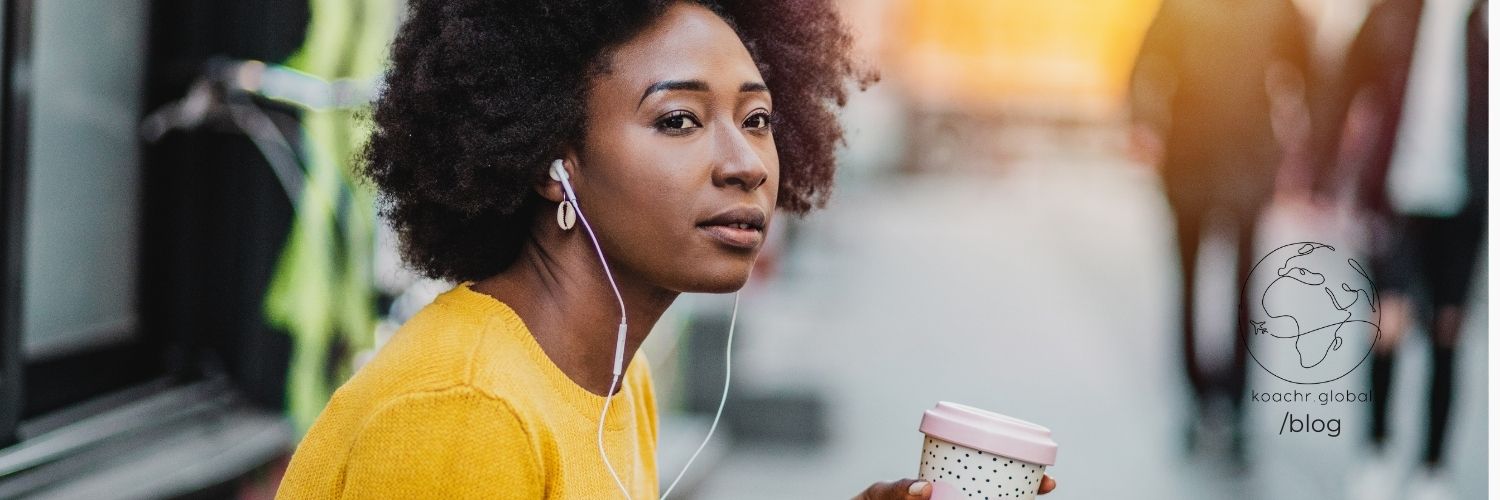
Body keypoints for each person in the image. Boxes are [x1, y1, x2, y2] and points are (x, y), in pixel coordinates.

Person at [272, 1, 1057, 498]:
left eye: (756, 119)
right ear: (554, 155)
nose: (746, 163)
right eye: (678, 120)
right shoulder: (467, 414)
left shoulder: (613, 374)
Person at [1312, 0, 1488, 499]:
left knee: (1447, 331)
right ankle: (1377, 450)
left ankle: (1434, 466)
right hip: (1394, 195)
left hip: (1465, 203)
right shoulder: (1394, 11)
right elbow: (1345, 80)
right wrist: (1324, 170)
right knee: (1385, 323)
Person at [1128, 0, 1313, 459]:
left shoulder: (1275, 9)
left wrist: (1302, 133)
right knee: (1189, 283)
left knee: (1246, 290)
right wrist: (1148, 121)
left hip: (1247, 163)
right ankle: (1195, 397)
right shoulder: (1181, 8)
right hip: (1189, 162)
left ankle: (1236, 399)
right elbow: (1146, 65)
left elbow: (1306, 68)